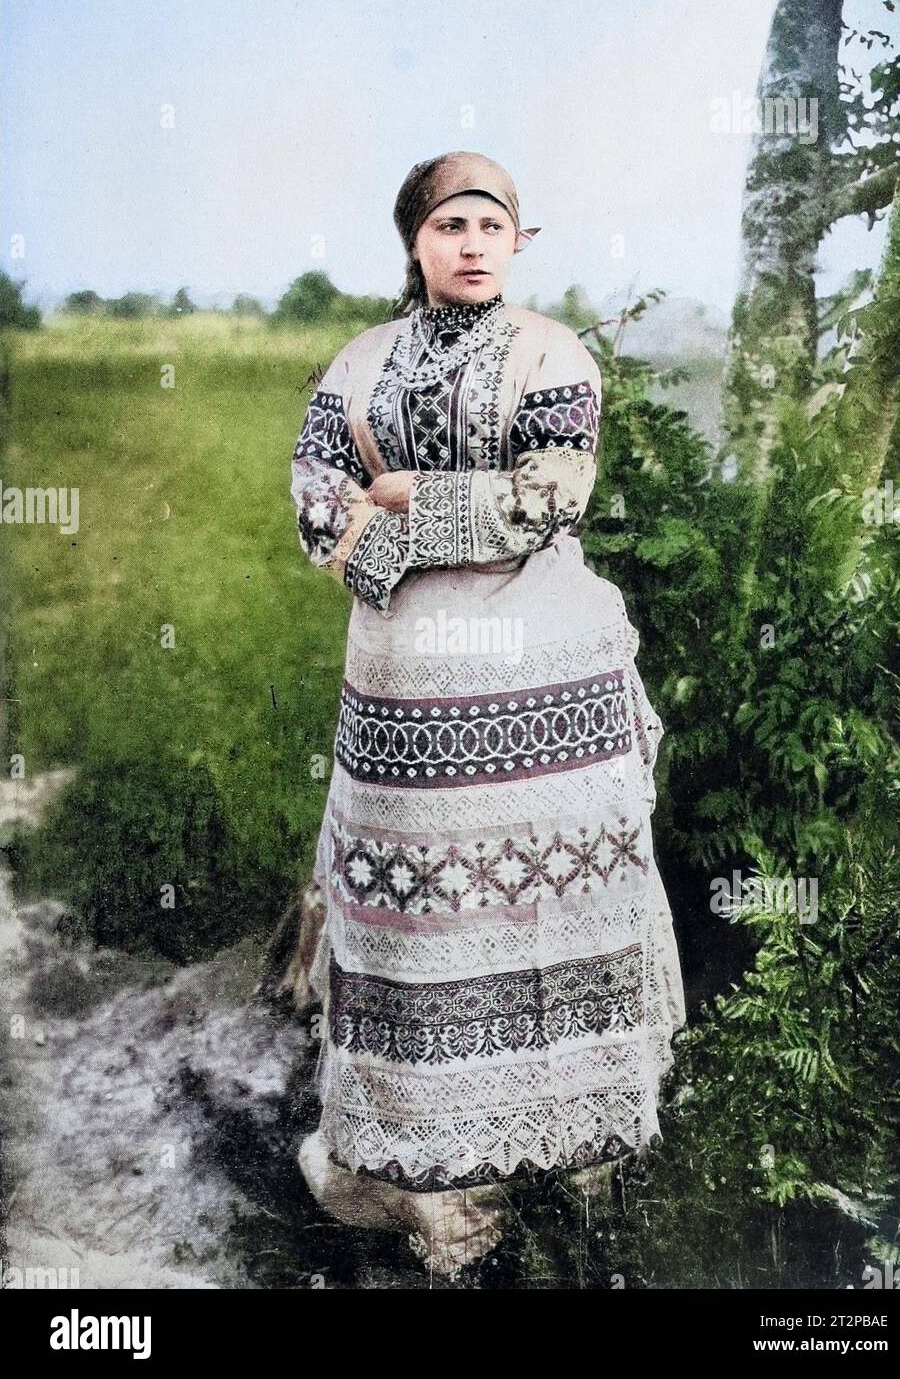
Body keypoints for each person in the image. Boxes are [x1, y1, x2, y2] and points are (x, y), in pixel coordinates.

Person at [275, 150, 686, 1280]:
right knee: (420, 903)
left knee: (556, 888)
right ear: (412, 240)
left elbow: (551, 493)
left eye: (489, 227)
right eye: (448, 225)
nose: (469, 244)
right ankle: (424, 1175)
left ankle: (575, 1146)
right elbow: (316, 502)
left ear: (516, 242)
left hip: (540, 671)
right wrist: (386, 535)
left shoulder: (553, 352)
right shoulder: (358, 365)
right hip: (405, 683)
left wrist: (407, 498)